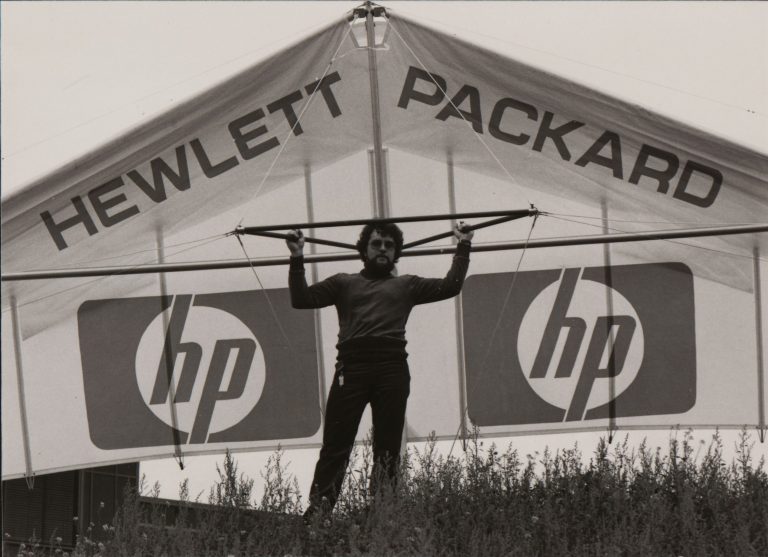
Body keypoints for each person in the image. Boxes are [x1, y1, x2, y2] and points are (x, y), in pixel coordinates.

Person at [286, 221, 474, 518]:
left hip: (391, 368)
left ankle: (383, 513)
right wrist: (297, 256)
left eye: (389, 245)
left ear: (396, 251)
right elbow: (301, 299)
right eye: (377, 244)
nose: (383, 249)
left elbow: (450, 286)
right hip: (352, 368)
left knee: (387, 447)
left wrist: (464, 244)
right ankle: (319, 512)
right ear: (364, 249)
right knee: (337, 443)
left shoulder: (407, 284)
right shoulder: (343, 282)